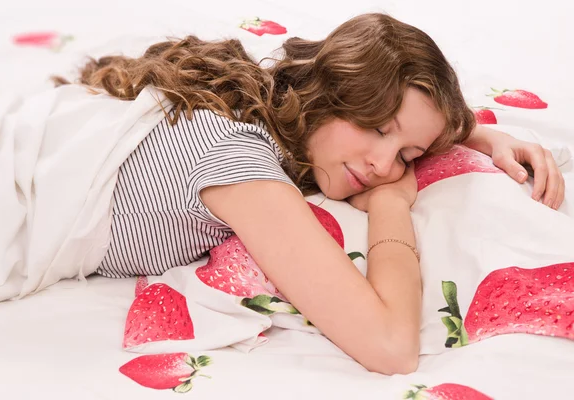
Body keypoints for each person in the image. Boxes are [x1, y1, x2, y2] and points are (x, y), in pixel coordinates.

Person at [55, 13, 565, 374]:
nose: (385, 166)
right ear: (335, 90)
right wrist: (391, 206)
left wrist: (485, 135)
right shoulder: (238, 162)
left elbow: (406, 120)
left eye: (409, 156)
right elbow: (390, 348)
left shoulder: (259, 97)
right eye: (378, 127)